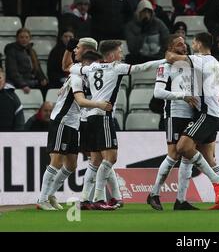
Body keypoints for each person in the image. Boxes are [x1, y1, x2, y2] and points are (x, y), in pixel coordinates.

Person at [69, 40, 167, 210]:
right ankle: (99, 198)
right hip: (103, 116)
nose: (122, 55)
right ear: (112, 55)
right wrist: (165, 61)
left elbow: (72, 68)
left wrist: (73, 65)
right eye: (120, 52)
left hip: (90, 117)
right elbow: (141, 67)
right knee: (110, 158)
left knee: (95, 160)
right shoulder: (116, 67)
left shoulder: (91, 68)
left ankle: (85, 199)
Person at [37, 50, 113, 210]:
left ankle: (50, 194)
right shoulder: (77, 78)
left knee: (71, 165)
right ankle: (42, 198)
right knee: (56, 160)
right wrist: (99, 104)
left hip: (73, 123)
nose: (97, 68)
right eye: (96, 64)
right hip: (62, 121)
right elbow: (80, 100)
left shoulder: (83, 78)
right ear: (87, 64)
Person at [166, 33, 219, 207]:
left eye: (193, 42)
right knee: (209, 158)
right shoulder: (216, 62)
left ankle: (218, 181)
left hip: (206, 114)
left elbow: (170, 57)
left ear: (199, 44)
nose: (191, 44)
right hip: (213, 113)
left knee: (183, 147)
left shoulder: (200, 60)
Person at [147, 35, 198, 211]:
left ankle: (181, 200)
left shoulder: (190, 65)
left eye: (184, 44)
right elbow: (158, 93)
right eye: (179, 45)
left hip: (191, 115)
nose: (183, 47)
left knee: (188, 155)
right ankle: (153, 193)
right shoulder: (165, 66)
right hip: (174, 114)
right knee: (174, 155)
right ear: (170, 47)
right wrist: (182, 96)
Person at [125, 0, 169, 64]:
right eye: (144, 12)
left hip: (157, 58)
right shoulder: (131, 26)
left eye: (148, 12)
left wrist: (160, 55)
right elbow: (132, 48)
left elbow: (166, 40)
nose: (146, 14)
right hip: (139, 59)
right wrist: (142, 32)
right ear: (138, 12)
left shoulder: (158, 23)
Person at [5, 28, 48, 93]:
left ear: (29, 38)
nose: (24, 39)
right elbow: (13, 72)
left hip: (31, 80)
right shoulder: (11, 51)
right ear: (17, 38)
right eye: (21, 37)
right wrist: (23, 85)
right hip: (18, 82)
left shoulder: (32, 51)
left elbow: (37, 67)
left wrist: (42, 78)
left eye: (26, 37)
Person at [0, 67, 25, 131]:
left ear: (4, 79)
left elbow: (20, 123)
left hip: (8, 138)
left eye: (0, 78)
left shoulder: (12, 97)